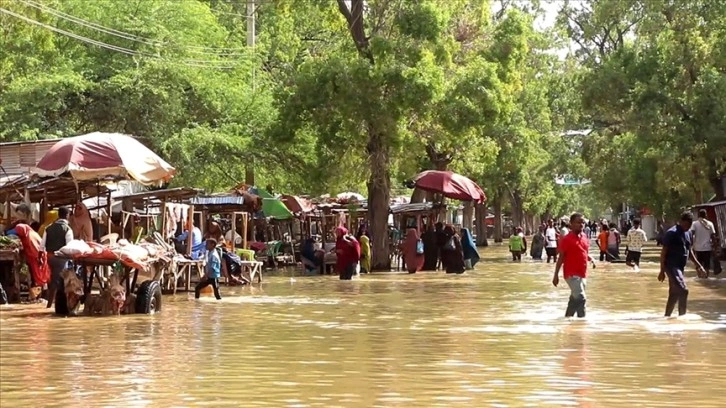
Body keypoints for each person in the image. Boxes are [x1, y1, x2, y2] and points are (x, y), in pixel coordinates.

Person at [659, 212, 706, 317]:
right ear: (681, 222)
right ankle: (682, 317)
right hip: (671, 266)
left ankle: (667, 317)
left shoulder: (688, 233)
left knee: (674, 293)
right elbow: (663, 253)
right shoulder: (671, 233)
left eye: (690, 225)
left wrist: (699, 265)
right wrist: (662, 270)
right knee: (683, 290)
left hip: (680, 267)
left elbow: (689, 252)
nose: (688, 227)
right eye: (686, 224)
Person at [552, 213, 596, 318]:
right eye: (578, 222)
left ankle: (568, 318)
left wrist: (591, 259)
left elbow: (584, 252)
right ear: (571, 224)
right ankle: (582, 323)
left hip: (582, 274)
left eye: (582, 223)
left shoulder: (585, 237)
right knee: (581, 297)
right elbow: (561, 258)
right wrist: (556, 275)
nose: (581, 225)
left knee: (574, 298)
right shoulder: (567, 239)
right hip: (571, 274)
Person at [41, 207, 74, 308]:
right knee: (58, 281)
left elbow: (42, 246)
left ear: (58, 215)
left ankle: (53, 304)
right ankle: (50, 305)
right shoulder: (68, 229)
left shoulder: (48, 228)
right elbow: (69, 247)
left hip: (49, 257)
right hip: (61, 258)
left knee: (53, 280)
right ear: (67, 215)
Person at [12, 223, 50, 292]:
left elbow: (35, 248)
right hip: (34, 257)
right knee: (37, 276)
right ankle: (39, 292)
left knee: (38, 276)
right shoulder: (28, 234)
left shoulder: (30, 236)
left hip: (36, 257)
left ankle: (41, 292)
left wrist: (39, 258)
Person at [690, 209, 716, 278]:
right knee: (707, 265)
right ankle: (706, 277)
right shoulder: (710, 224)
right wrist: (714, 247)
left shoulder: (694, 224)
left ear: (698, 215)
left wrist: (690, 245)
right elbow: (713, 236)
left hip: (697, 248)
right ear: (706, 215)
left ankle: (699, 277)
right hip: (707, 248)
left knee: (698, 263)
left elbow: (691, 234)